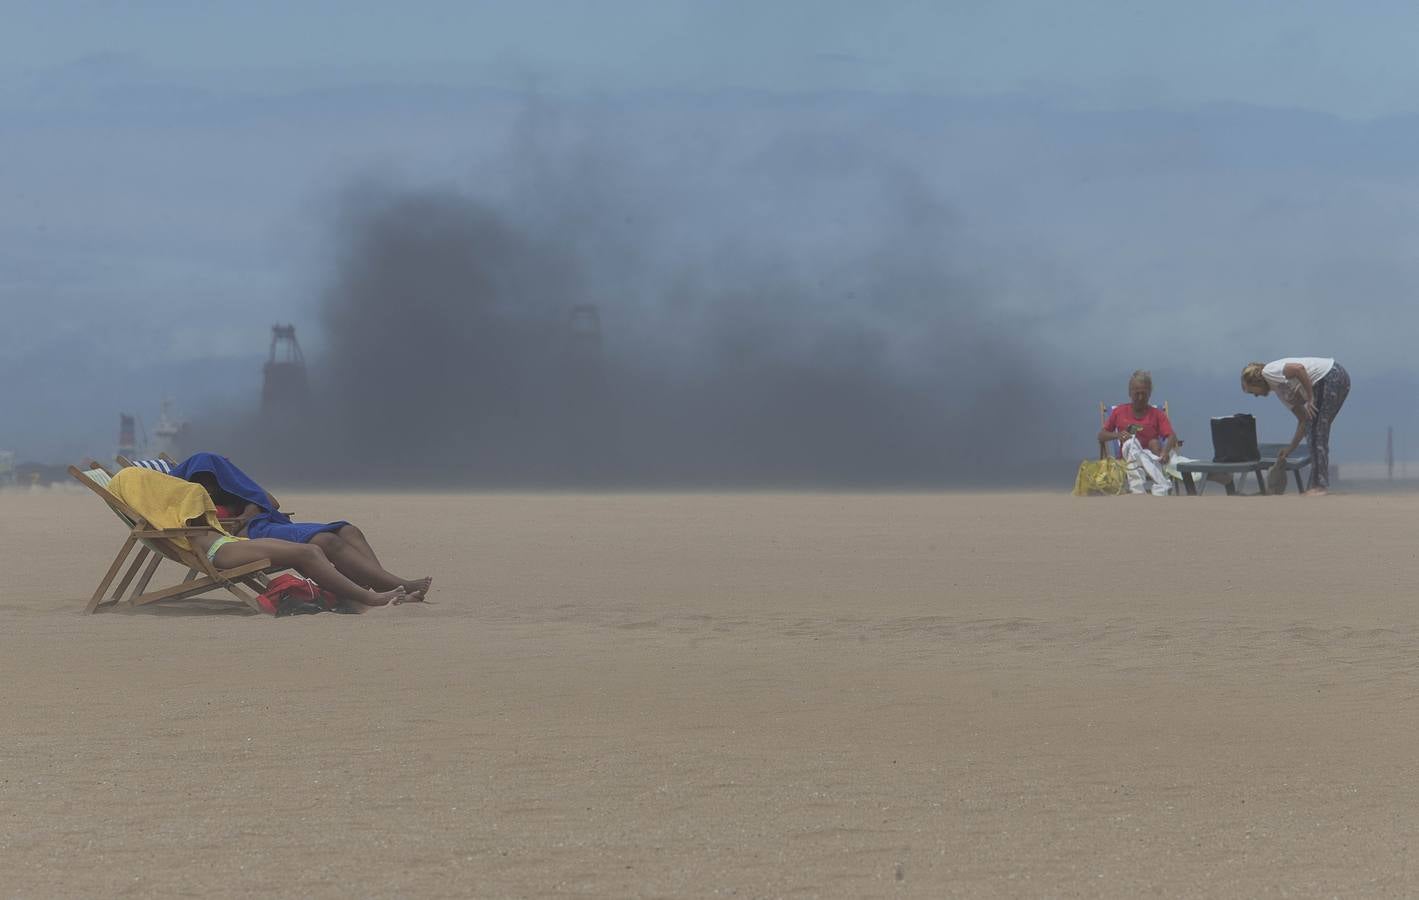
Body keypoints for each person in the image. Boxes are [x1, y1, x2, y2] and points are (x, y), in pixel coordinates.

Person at [106, 466, 411, 611]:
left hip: (229, 542)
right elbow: (135, 487)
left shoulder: (176, 506)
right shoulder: (167, 512)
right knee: (308, 553)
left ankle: (356, 599)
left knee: (309, 551)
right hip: (217, 550)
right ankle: (368, 597)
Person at [167, 452, 432, 598]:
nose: (210, 485)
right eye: (206, 478)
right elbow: (208, 527)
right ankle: (398, 586)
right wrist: (238, 519)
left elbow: (270, 501)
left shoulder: (226, 490)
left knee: (348, 529)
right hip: (248, 537)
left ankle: (382, 585)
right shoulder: (190, 499)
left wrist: (245, 501)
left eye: (214, 477)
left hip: (261, 524)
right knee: (325, 541)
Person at [1241, 357, 1350, 496]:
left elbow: (1298, 369)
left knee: (1316, 430)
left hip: (1330, 375)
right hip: (1339, 379)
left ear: (1255, 380)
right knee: (1314, 428)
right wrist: (1290, 449)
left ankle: (1319, 486)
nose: (1255, 395)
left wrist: (1310, 398)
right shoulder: (1281, 392)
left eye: (1252, 391)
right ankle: (1316, 484)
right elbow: (1303, 420)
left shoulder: (1268, 372)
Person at [1098, 370, 1178, 462]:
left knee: (1154, 443)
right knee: (1128, 443)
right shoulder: (1119, 412)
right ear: (1130, 393)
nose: (1140, 398)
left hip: (1152, 460)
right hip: (1127, 462)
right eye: (1137, 394)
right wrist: (1117, 435)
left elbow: (1172, 436)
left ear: (1149, 394)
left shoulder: (1157, 414)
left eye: (1144, 394)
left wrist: (1165, 452)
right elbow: (1101, 435)